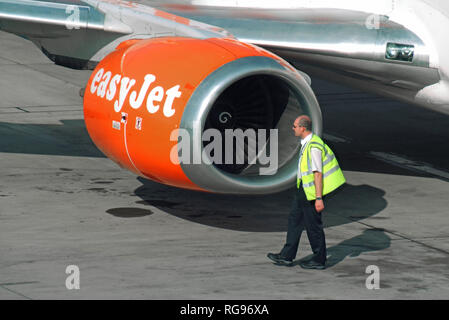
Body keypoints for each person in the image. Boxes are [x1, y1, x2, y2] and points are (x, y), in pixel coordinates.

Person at [267, 115, 345, 270]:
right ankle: (286, 256)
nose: (293, 128)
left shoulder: (314, 146)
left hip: (311, 193)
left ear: (303, 128)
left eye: (295, 126)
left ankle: (319, 259)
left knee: (313, 226)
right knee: (294, 220)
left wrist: (318, 198)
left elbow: (318, 173)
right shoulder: (307, 143)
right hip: (303, 190)